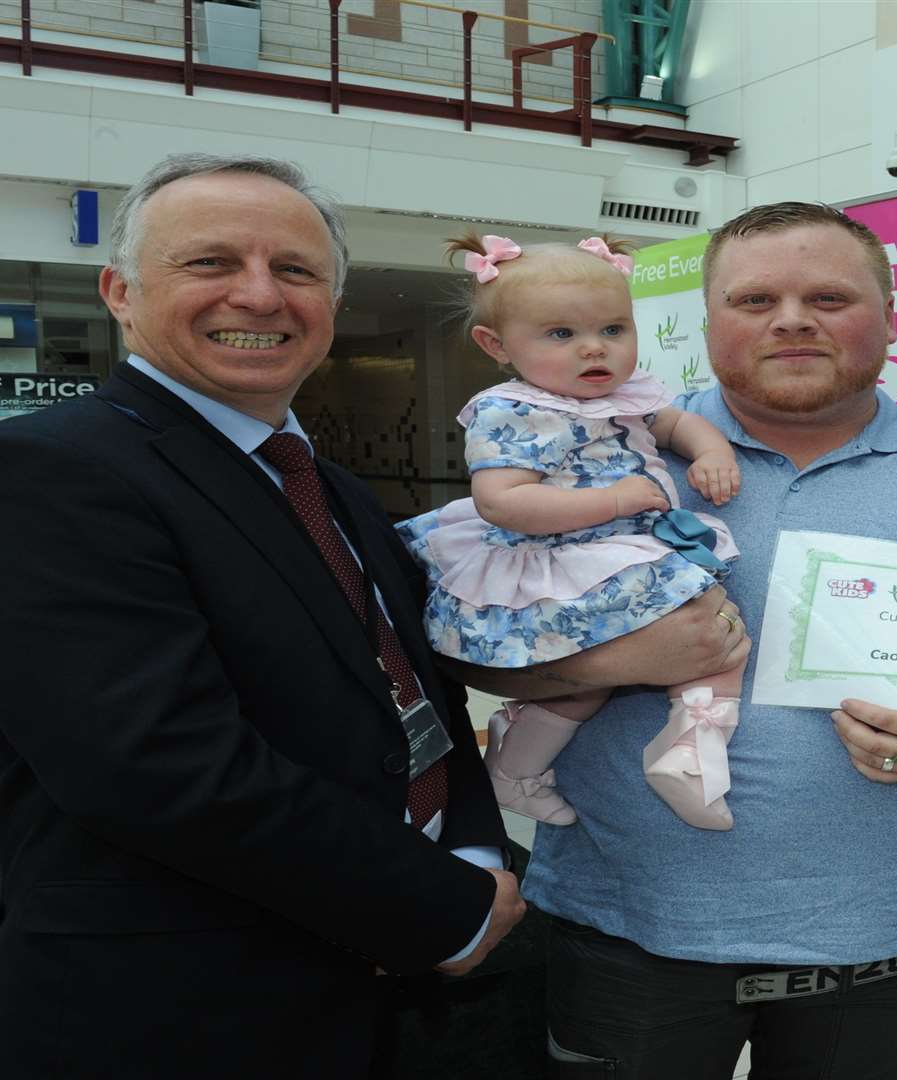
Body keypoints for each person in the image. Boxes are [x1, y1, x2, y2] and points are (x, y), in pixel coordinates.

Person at [461, 201, 897, 1079]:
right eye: (755, 299)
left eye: (831, 298)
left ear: (891, 316)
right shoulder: (591, 453)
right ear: (706, 324)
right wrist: (615, 665)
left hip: (888, 937)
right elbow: (454, 645)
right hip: (629, 931)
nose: (793, 320)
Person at [0, 154, 524, 1078]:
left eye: (295, 270)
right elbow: (154, 763)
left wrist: (474, 846)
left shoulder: (332, 489)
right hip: (181, 1008)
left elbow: (422, 693)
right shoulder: (53, 471)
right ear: (120, 292)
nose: (260, 296)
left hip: (378, 996)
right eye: (209, 264)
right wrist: (444, 905)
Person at [398, 232, 746, 830]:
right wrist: (611, 499)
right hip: (553, 563)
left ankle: (685, 749)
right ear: (496, 345)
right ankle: (518, 771)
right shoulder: (513, 410)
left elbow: (679, 423)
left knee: (709, 633)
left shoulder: (628, 395)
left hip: (618, 551)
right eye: (562, 334)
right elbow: (502, 501)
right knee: (684, 634)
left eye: (613, 330)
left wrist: (713, 452)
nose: (595, 350)